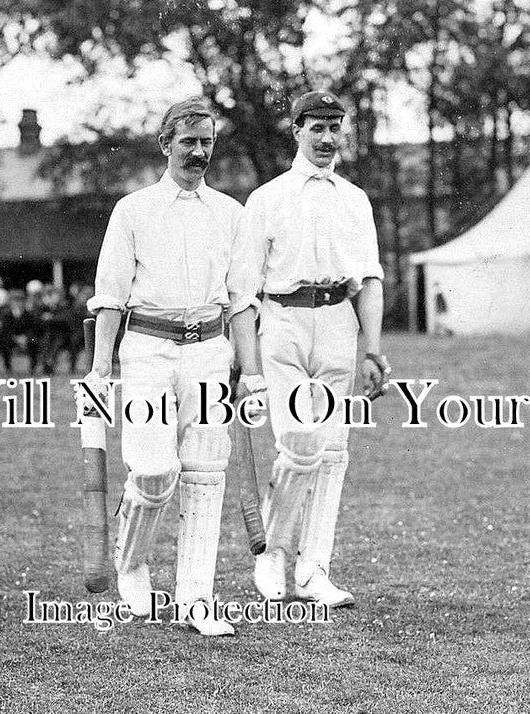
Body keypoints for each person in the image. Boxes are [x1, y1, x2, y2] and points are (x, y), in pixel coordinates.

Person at [85, 96, 245, 636]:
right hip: (148, 349)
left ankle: (196, 598)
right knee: (154, 472)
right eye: (188, 142)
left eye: (207, 142)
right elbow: (110, 295)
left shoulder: (230, 213)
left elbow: (242, 299)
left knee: (205, 471)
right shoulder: (133, 210)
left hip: (209, 351)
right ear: (165, 145)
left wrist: (247, 368)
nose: (198, 152)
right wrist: (100, 368)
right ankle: (131, 564)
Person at [227, 90, 392, 609]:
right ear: (296, 131)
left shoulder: (355, 199)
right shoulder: (268, 198)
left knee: (333, 451)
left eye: (334, 127)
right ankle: (272, 553)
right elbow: (243, 290)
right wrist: (247, 364)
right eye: (315, 127)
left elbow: (369, 278)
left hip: (338, 321)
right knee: (300, 442)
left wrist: (372, 350)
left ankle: (314, 570)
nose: (326, 138)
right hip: (283, 322)